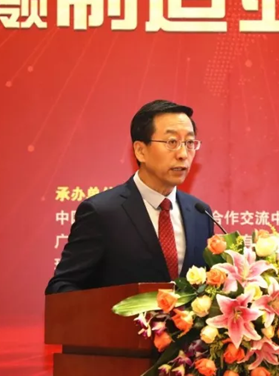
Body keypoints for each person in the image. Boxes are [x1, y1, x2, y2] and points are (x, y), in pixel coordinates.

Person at [45, 99, 216, 294]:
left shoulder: (200, 213)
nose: (183, 154)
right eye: (172, 142)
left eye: (190, 142)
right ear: (140, 151)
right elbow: (61, 286)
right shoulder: (102, 212)